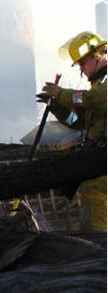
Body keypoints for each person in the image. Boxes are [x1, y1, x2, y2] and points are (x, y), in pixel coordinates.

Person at [38, 31, 107, 231]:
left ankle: (102, 256)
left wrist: (61, 94)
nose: (82, 70)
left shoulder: (103, 86)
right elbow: (78, 123)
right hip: (97, 166)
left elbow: (94, 99)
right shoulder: (96, 85)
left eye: (82, 64)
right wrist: (57, 107)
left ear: (97, 56)